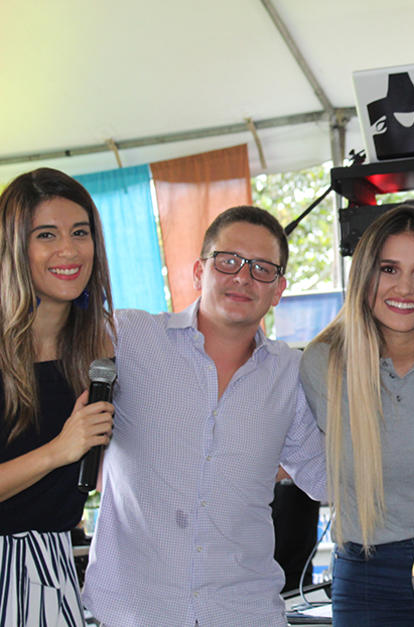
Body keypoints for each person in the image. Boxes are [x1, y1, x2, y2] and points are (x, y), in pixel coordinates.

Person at [82, 205, 327, 627]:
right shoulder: (129, 337)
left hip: (245, 612)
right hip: (135, 612)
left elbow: (327, 478)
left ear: (279, 289)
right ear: (199, 271)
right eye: (228, 261)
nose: (243, 278)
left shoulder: (290, 374)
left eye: (262, 268)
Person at [300, 205, 414, 626]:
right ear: (364, 275)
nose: (405, 288)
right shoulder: (323, 361)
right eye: (388, 269)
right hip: (367, 567)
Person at [0, 167, 115, 626]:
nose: (69, 250)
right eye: (46, 234)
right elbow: (66, 450)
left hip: (52, 563)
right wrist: (59, 451)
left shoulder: (98, 347)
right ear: (14, 246)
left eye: (80, 232)